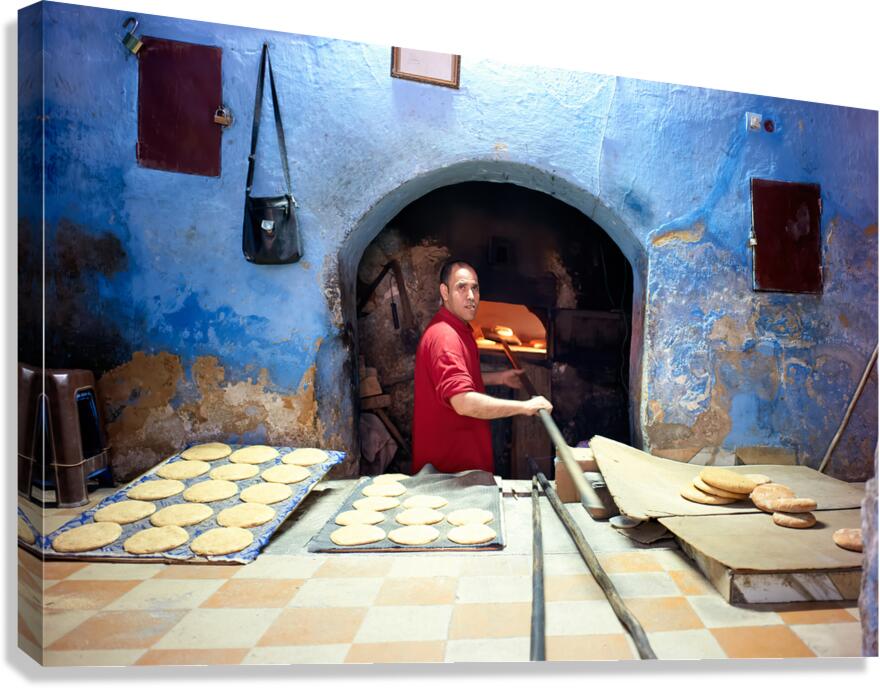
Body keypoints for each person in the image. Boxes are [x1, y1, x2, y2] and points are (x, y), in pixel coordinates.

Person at [412, 259, 553, 474]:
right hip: (449, 472)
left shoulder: (459, 329)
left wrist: (499, 377)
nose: (471, 296)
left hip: (461, 466)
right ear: (444, 291)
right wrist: (525, 407)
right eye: (461, 287)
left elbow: (454, 382)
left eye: (475, 288)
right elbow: (463, 402)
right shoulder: (445, 337)